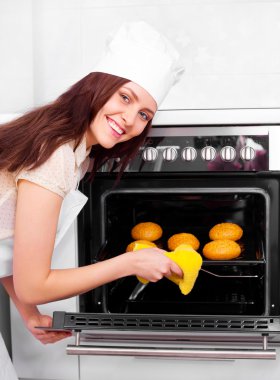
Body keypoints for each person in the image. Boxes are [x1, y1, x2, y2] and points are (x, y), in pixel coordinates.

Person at [0, 21, 184, 379]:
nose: (130, 120)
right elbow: (33, 281)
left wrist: (29, 313)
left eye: (145, 114)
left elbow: (7, 241)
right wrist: (130, 263)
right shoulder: (55, 153)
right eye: (125, 97)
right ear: (97, 85)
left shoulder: (75, 150)